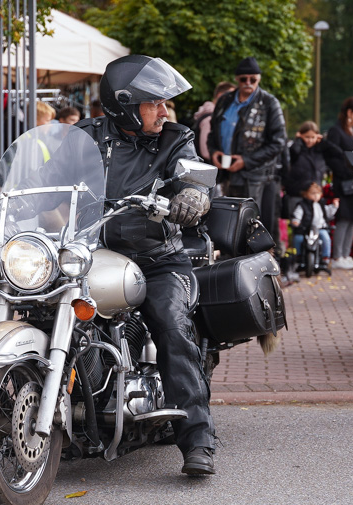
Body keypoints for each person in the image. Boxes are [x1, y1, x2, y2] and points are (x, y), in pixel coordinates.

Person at [76, 54, 216, 475]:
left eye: (164, 103)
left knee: (172, 328)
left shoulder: (175, 138)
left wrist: (193, 195)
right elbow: (45, 179)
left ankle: (198, 440)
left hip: (157, 259)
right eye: (154, 102)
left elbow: (193, 175)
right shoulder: (83, 137)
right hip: (88, 256)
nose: (164, 110)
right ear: (124, 104)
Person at [208, 56, 287, 255]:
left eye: (253, 79)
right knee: (228, 227)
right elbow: (212, 133)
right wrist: (214, 152)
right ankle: (231, 270)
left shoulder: (269, 103)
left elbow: (279, 141)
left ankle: (262, 274)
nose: (249, 83)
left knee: (255, 228)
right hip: (226, 174)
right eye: (244, 79)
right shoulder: (225, 100)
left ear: (259, 78)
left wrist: (246, 161)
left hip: (257, 176)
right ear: (237, 79)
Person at [326, 97, 353, 270]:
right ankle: (338, 256)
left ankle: (346, 254)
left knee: (352, 219)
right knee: (343, 218)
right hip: (343, 182)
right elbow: (332, 156)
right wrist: (346, 172)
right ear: (349, 112)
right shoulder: (336, 131)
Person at [291, 181, 338, 271]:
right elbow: (297, 214)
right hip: (306, 229)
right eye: (313, 193)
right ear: (305, 194)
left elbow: (328, 213)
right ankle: (298, 257)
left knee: (325, 237)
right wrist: (296, 221)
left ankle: (325, 258)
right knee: (298, 239)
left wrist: (334, 207)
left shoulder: (321, 204)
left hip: (320, 228)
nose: (316, 196)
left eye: (318, 193)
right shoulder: (302, 205)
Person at [191, 81, 235, 163]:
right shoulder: (209, 119)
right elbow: (206, 152)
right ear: (221, 95)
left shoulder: (213, 116)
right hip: (207, 169)